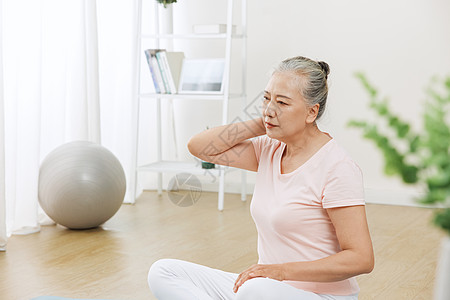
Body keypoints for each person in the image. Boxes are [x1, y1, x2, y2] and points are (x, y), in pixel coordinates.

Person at [147, 56, 374, 300]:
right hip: (265, 290)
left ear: (311, 112)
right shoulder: (269, 148)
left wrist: (280, 272)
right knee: (163, 271)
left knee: (255, 289)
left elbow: (361, 258)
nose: (269, 109)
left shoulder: (337, 167)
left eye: (283, 103)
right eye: (266, 99)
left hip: (318, 296)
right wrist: (264, 123)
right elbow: (200, 147)